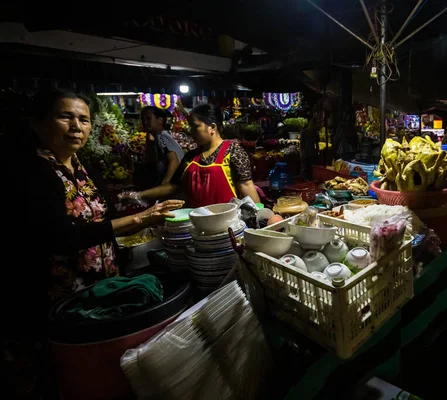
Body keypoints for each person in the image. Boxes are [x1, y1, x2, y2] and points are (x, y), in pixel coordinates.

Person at [0, 88, 184, 398]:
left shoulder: (83, 169)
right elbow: (58, 236)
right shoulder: (30, 172)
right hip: (54, 293)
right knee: (63, 375)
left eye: (84, 120)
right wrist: (140, 219)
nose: (76, 126)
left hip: (99, 284)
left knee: (100, 369)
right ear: (38, 123)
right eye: (65, 117)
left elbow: (102, 220)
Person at [127, 104, 259, 207]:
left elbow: (246, 186)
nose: (190, 131)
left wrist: (260, 222)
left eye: (195, 127)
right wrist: (139, 195)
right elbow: (174, 186)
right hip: (196, 227)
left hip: (228, 225)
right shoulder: (191, 156)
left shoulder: (233, 151)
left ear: (212, 127)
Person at [136, 106, 185, 189]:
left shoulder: (161, 136)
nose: (144, 122)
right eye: (143, 119)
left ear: (160, 120)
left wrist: (163, 186)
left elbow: (174, 161)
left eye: (148, 119)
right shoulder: (157, 137)